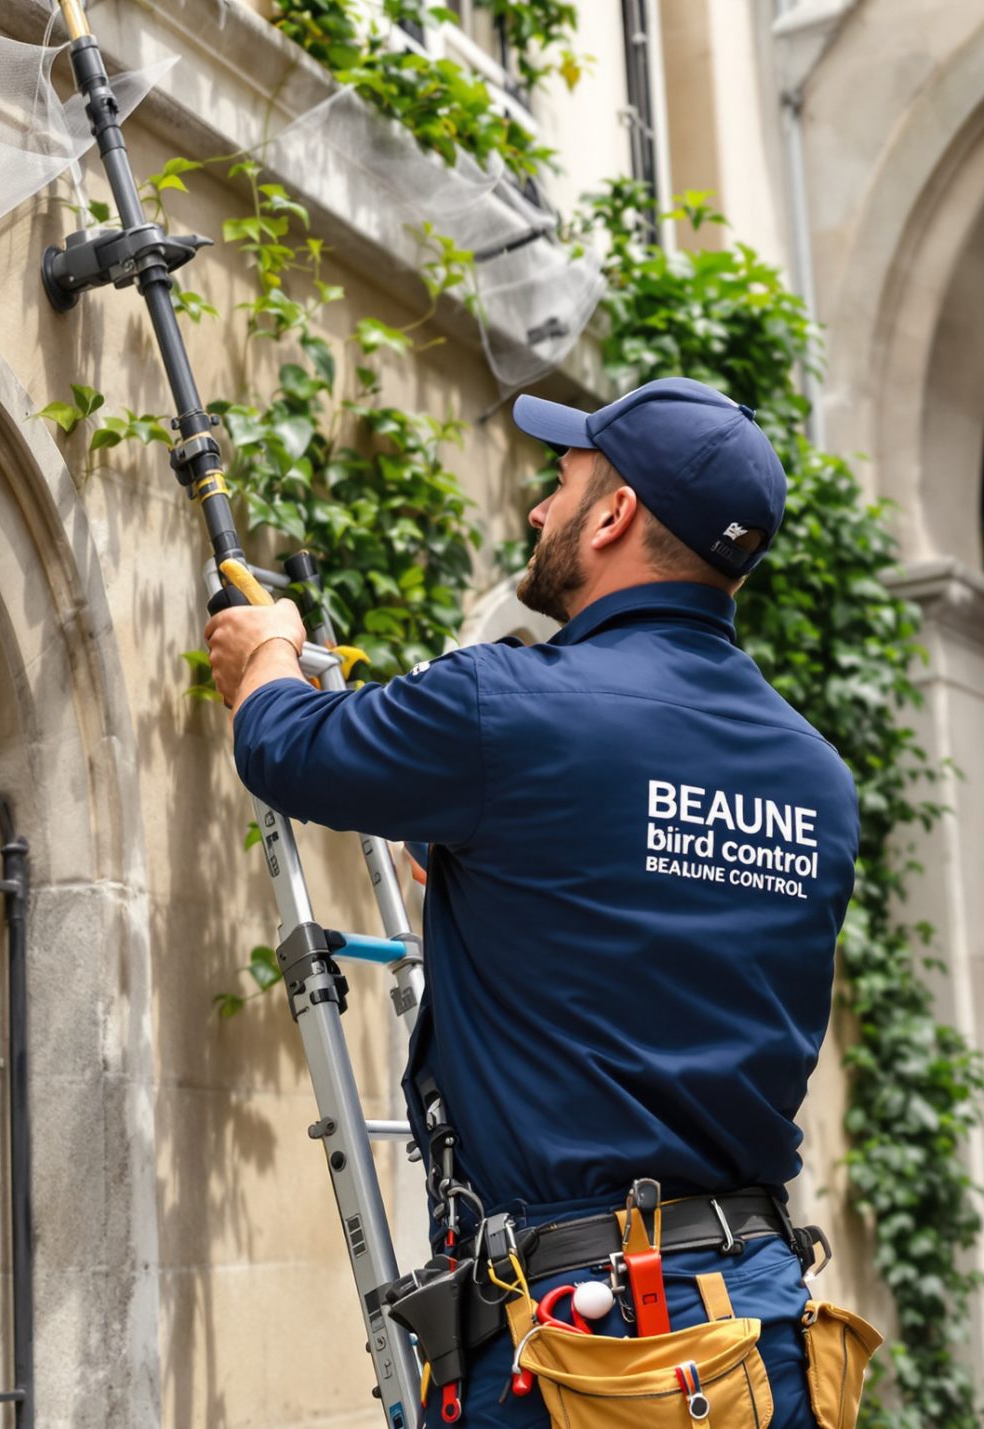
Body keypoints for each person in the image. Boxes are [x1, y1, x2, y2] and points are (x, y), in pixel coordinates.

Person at [202, 378, 863, 1427]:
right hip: (755, 1328)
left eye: (559, 485)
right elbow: (635, 895)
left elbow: (287, 747)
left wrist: (266, 653)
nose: (535, 512)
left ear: (614, 514)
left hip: (581, 1349)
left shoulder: (503, 708)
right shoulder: (816, 779)